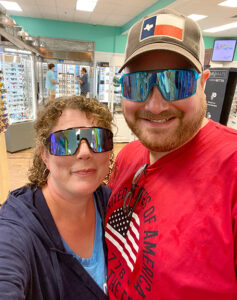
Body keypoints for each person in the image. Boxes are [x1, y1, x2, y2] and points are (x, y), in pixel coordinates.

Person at [105, 8, 237, 300]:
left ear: (202, 84)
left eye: (176, 83)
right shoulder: (128, 156)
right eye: (138, 84)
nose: (154, 105)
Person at [0, 96, 114, 299]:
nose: (84, 152)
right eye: (66, 141)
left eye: (97, 139)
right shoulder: (16, 227)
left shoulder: (112, 204)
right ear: (44, 155)